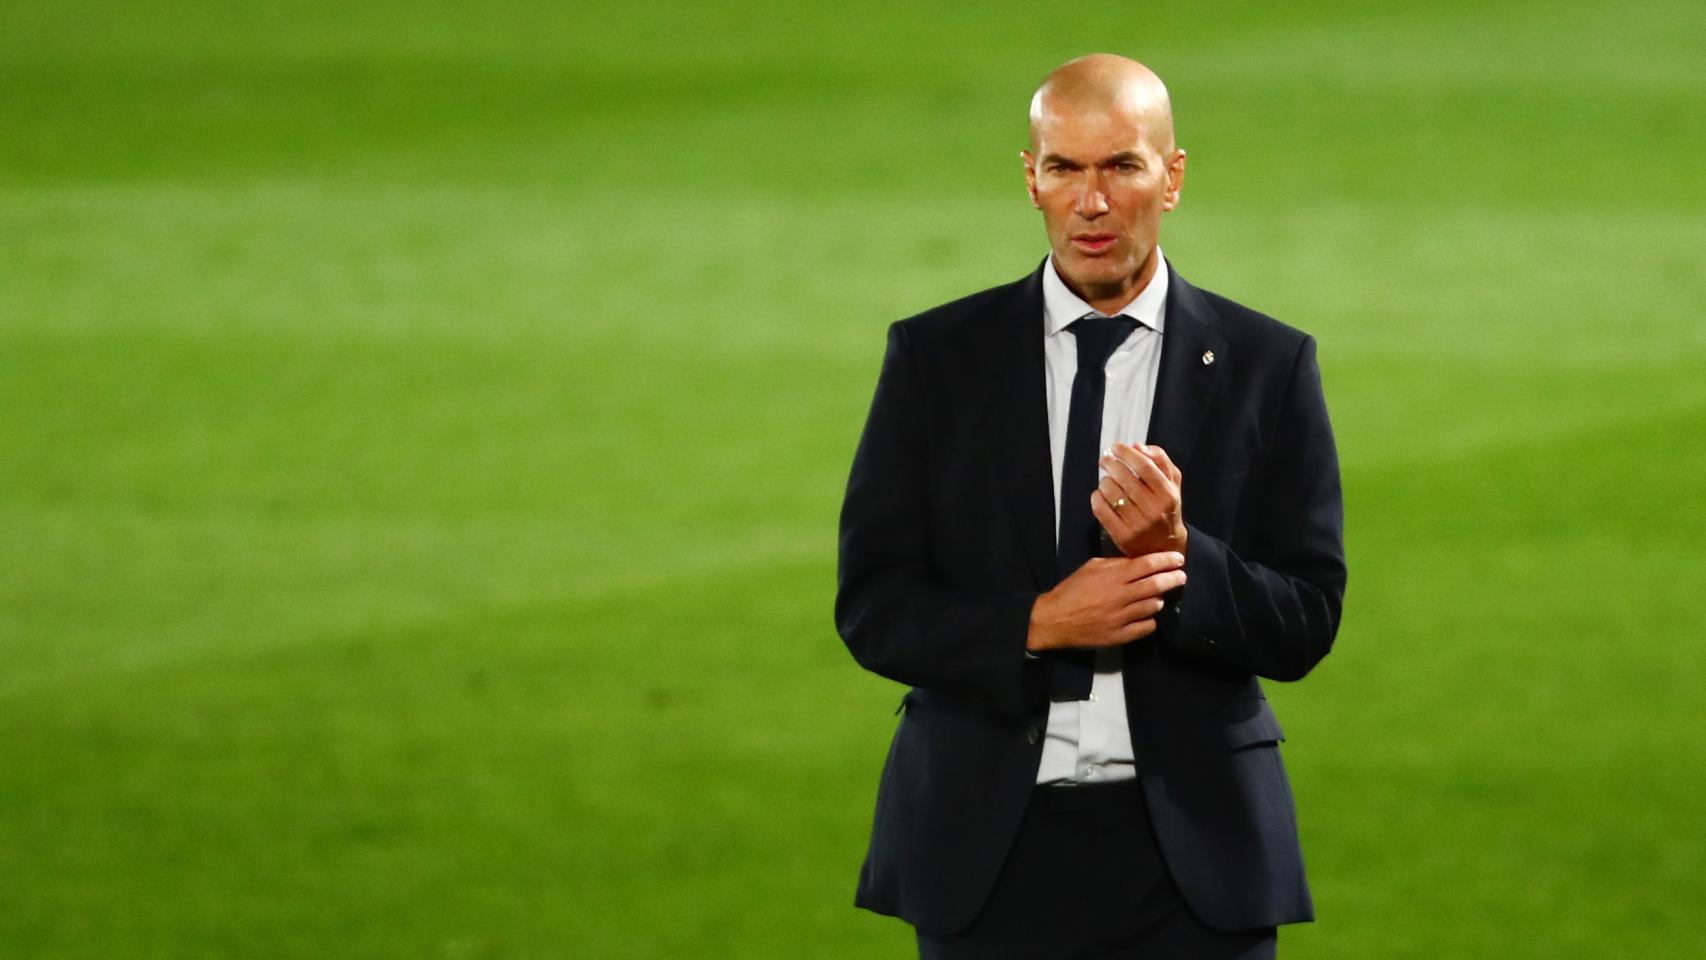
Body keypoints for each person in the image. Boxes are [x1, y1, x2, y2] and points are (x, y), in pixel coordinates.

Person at [835, 53, 1347, 959]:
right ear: (1029, 177)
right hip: (985, 857)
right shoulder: (938, 361)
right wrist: (1035, 624)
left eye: (1122, 166)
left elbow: (1305, 621)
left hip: (1195, 868)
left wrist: (1183, 554)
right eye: (1064, 168)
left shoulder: (1269, 366)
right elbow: (873, 607)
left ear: (1172, 177)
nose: (1092, 202)